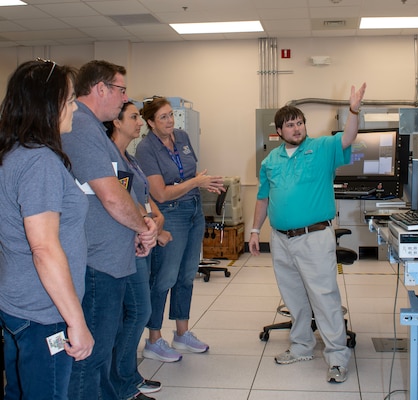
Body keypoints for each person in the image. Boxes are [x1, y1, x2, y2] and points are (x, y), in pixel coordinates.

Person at [248, 82, 367, 384]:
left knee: (324, 297)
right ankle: (302, 346)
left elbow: (349, 137)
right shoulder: (269, 161)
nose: (297, 128)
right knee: (294, 298)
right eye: (290, 124)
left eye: (300, 122)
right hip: (280, 238)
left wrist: (353, 109)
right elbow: (263, 198)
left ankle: (337, 356)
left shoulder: (323, 148)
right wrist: (253, 230)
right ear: (279, 131)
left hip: (314, 237)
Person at [61, 60, 158, 400]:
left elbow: (120, 191)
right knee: (91, 357)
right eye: (120, 89)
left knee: (102, 352)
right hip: (96, 264)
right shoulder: (82, 129)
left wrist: (138, 230)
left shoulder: (94, 131)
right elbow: (111, 196)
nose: (125, 97)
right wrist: (144, 226)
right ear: (100, 88)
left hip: (111, 260)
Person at [0, 59, 94, 399]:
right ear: (48, 104)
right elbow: (44, 249)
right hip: (44, 313)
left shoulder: (13, 153)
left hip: (18, 304)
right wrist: (77, 322)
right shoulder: (39, 161)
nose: (74, 107)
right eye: (69, 100)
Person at [135, 96, 225, 362]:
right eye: (162, 117)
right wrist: (196, 181)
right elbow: (160, 194)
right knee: (165, 277)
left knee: (187, 275)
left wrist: (200, 184)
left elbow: (187, 176)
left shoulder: (182, 137)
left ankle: (182, 333)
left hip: (194, 210)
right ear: (150, 122)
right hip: (171, 214)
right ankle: (153, 339)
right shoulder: (145, 149)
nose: (169, 121)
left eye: (171, 115)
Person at [104, 102, 172, 400]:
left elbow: (141, 195)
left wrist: (156, 217)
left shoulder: (127, 158)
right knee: (136, 311)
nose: (138, 122)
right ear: (116, 123)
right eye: (133, 117)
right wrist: (146, 225)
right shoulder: (108, 158)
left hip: (140, 240)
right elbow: (117, 201)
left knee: (137, 310)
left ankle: (128, 375)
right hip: (125, 244)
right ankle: (121, 379)